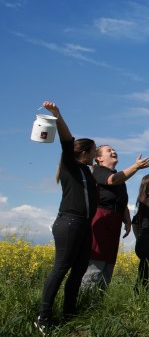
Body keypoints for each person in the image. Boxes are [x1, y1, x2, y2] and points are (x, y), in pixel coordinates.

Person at [37, 101, 98, 333]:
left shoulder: (86, 171)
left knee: (79, 269)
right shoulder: (71, 165)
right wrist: (57, 115)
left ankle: (69, 314)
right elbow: (67, 141)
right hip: (69, 222)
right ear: (85, 152)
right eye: (94, 150)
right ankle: (43, 317)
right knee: (61, 268)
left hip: (84, 225)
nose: (96, 153)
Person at [82, 144, 149, 290]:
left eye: (114, 150)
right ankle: (85, 300)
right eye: (109, 150)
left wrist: (126, 219)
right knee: (96, 261)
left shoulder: (119, 177)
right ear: (99, 158)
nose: (113, 151)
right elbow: (113, 180)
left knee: (108, 262)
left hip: (114, 221)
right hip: (101, 218)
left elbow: (122, 201)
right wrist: (136, 167)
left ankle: (98, 301)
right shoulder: (98, 172)